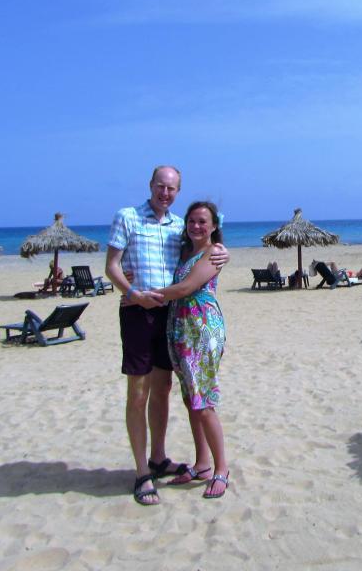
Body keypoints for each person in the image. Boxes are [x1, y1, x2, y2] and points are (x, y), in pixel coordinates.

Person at [104, 166, 229, 507]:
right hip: (138, 312)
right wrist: (133, 291)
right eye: (161, 185)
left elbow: (204, 254)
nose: (165, 192)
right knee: (139, 391)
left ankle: (160, 458)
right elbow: (112, 266)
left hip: (174, 318)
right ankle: (143, 471)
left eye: (172, 188)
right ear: (151, 185)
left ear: (178, 191)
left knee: (165, 388)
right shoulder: (127, 217)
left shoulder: (180, 227)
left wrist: (222, 251)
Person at [154, 200, 230, 500]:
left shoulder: (213, 252)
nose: (196, 226)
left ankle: (221, 468)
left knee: (204, 400)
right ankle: (202, 464)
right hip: (181, 328)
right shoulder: (186, 250)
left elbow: (186, 288)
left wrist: (143, 296)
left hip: (202, 329)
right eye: (192, 221)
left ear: (213, 226)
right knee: (191, 399)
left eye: (203, 221)